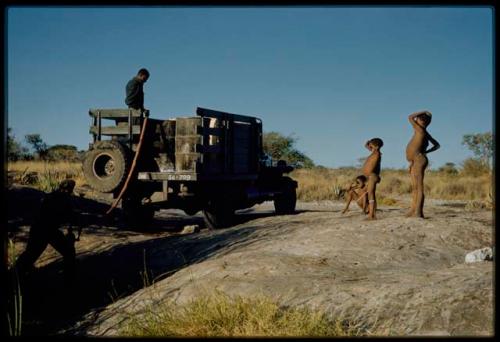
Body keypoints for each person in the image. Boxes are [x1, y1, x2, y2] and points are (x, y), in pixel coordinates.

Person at [14, 179, 77, 283]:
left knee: (30, 254)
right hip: (47, 230)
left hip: (39, 228)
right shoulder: (63, 199)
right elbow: (68, 216)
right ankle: (69, 278)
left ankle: (16, 273)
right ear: (69, 190)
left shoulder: (51, 195)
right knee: (68, 252)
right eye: (70, 190)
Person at [406, 110, 440, 218]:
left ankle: (418, 212)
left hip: (419, 160)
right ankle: (413, 210)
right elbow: (437, 145)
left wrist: (424, 111)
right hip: (415, 160)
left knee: (419, 187)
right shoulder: (424, 131)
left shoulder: (419, 129)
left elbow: (410, 117)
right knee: (415, 187)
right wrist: (425, 152)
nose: (416, 120)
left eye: (419, 119)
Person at [362, 138, 384, 220]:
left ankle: (372, 215)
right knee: (371, 195)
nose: (370, 146)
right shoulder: (374, 152)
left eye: (371, 145)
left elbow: (372, 167)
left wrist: (368, 174)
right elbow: (367, 146)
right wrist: (368, 143)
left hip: (372, 176)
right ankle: (372, 214)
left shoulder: (376, 154)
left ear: (376, 146)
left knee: (371, 195)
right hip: (370, 177)